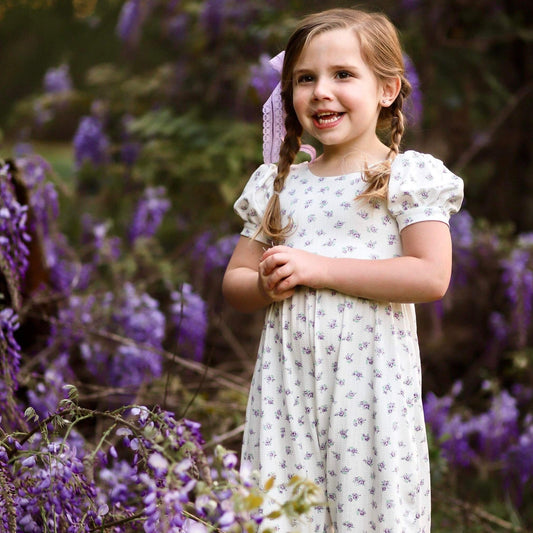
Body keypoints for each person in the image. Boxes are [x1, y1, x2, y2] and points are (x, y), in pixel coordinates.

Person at [223, 7, 463, 533]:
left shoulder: (406, 177)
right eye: (305, 78)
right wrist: (264, 283)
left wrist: (318, 267)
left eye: (343, 75)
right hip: (287, 392)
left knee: (371, 515)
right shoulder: (277, 183)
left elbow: (429, 276)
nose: (320, 91)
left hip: (370, 393)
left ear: (387, 89)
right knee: (282, 514)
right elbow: (235, 284)